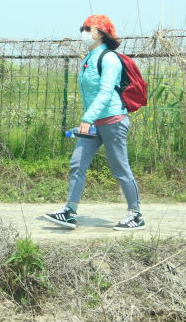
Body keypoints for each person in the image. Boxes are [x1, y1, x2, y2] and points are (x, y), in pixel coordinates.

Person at [43, 15, 144, 231]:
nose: (83, 32)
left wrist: (87, 119)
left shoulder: (109, 59)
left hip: (113, 120)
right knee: (77, 163)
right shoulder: (89, 58)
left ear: (101, 33)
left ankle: (136, 215)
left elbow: (106, 92)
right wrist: (90, 119)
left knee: (120, 168)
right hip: (94, 122)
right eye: (82, 28)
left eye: (88, 28)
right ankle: (69, 212)